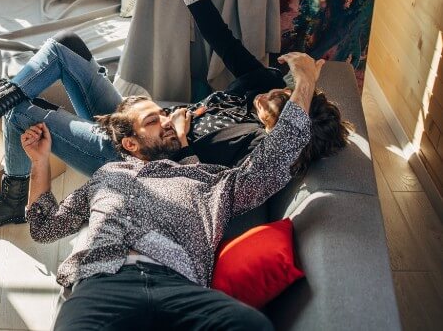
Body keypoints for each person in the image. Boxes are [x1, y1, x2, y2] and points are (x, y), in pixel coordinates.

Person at [0, 0, 351, 229]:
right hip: (143, 124)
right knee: (66, 45)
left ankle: (12, 194)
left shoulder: (258, 147)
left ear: (283, 125)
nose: (265, 97)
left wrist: (185, 139)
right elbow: (219, 37)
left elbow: (188, 183)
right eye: (275, 91)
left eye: (273, 106)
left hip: (136, 154)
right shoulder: (262, 85)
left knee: (22, 113)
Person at [22, 51, 321, 331]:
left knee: (251, 325)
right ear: (131, 145)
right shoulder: (105, 177)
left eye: (164, 114)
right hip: (103, 280)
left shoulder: (212, 180)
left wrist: (305, 81)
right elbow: (44, 228)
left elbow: (273, 162)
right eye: (153, 121)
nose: (167, 120)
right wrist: (40, 162)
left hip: (180, 285)